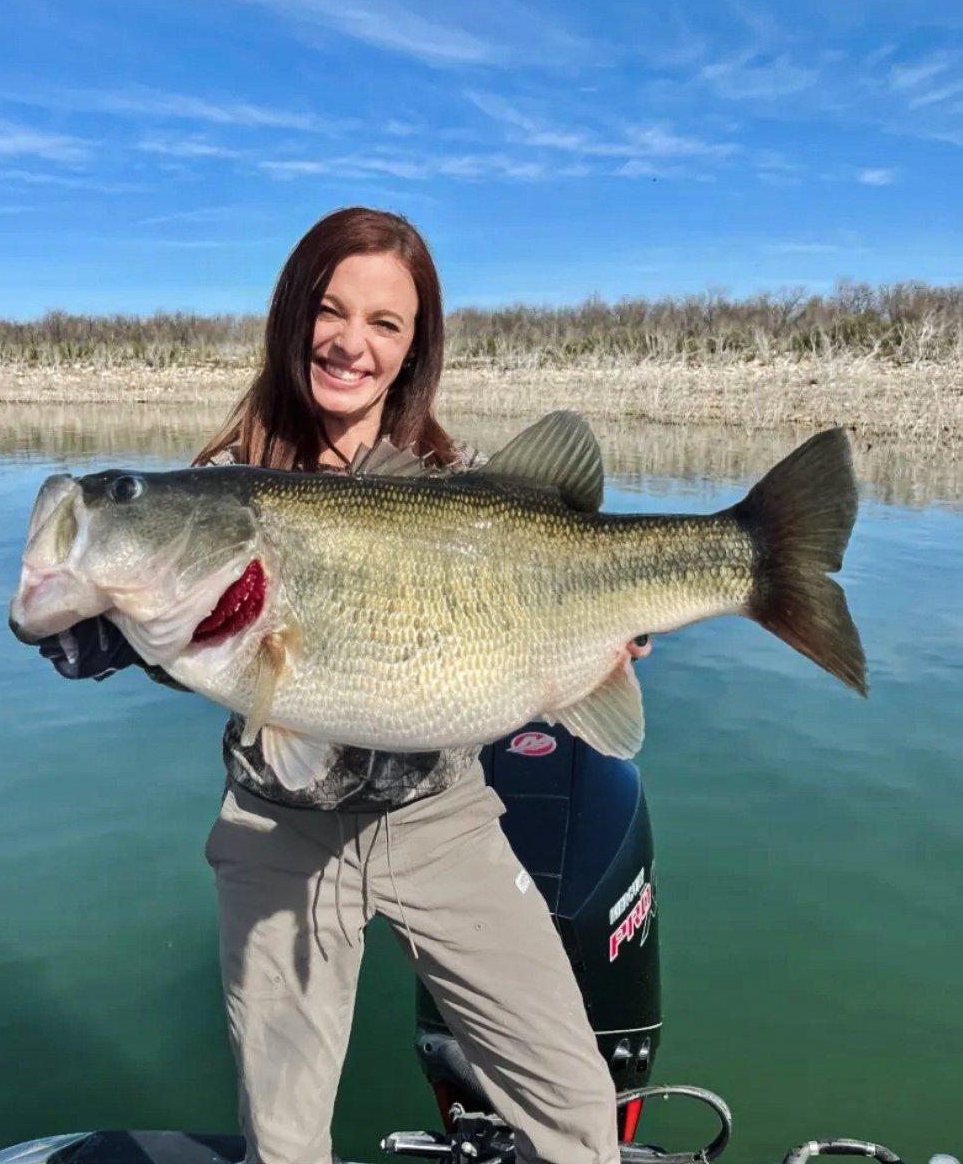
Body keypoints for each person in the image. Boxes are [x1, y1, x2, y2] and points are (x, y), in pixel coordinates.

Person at [37, 207, 651, 1164]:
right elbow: (219, 650)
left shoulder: (463, 482)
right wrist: (114, 636)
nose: (351, 342)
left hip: (440, 819)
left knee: (577, 1110)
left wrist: (603, 631)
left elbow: (561, 607)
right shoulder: (227, 484)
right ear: (294, 317)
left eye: (385, 323)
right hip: (276, 831)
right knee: (284, 1143)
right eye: (331, 310)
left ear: (412, 350)